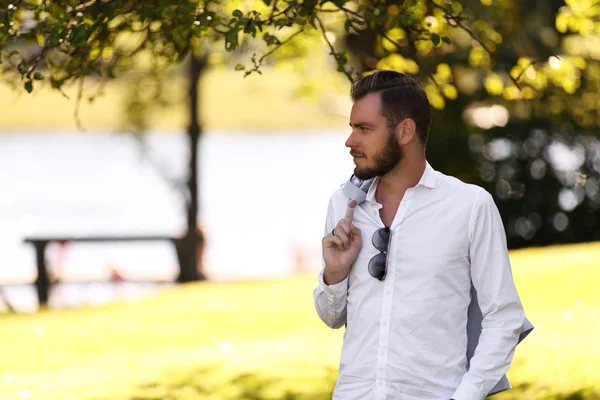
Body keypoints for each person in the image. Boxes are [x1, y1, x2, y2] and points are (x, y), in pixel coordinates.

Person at [313, 70, 526, 400]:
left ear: (405, 131)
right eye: (352, 128)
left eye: (364, 129)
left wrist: (466, 395)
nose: (350, 141)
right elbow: (331, 317)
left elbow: (504, 318)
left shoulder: (469, 206)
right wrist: (335, 273)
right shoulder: (344, 205)